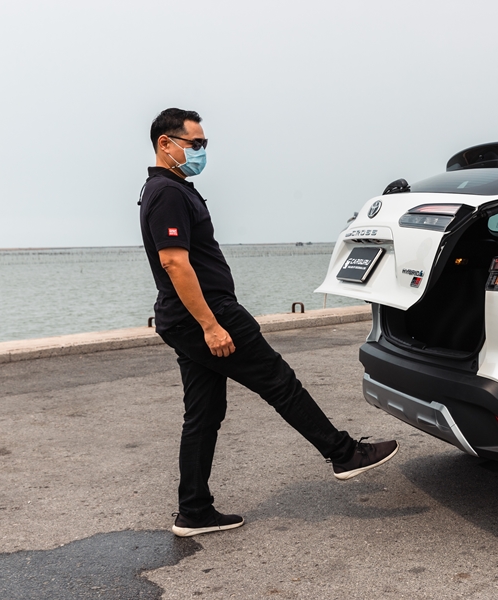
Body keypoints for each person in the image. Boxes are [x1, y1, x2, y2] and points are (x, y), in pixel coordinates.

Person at [138, 108, 398, 538]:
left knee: (203, 414)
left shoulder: (170, 189)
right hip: (208, 316)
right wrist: (211, 325)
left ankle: (194, 511)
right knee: (279, 382)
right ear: (166, 144)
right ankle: (343, 453)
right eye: (195, 144)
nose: (202, 151)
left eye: (205, 144)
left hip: (186, 318)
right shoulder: (166, 192)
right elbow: (174, 263)